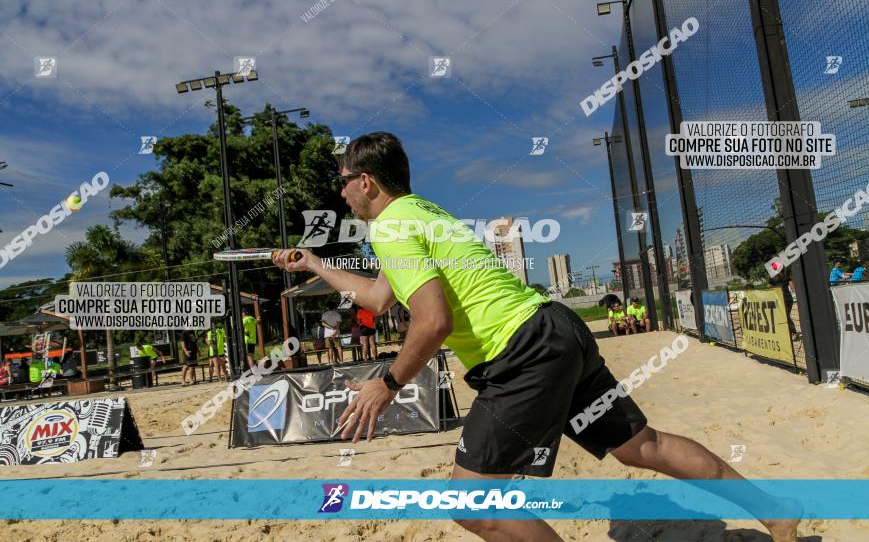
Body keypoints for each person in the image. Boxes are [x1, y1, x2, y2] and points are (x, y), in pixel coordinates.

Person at [271, 132, 799, 542]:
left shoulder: (390, 227)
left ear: (367, 182)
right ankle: (775, 513)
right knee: (643, 445)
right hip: (553, 329)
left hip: (520, 354)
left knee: (471, 504)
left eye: (343, 180)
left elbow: (433, 322)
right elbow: (380, 298)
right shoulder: (422, 214)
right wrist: (315, 263)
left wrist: (386, 382)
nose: (339, 191)